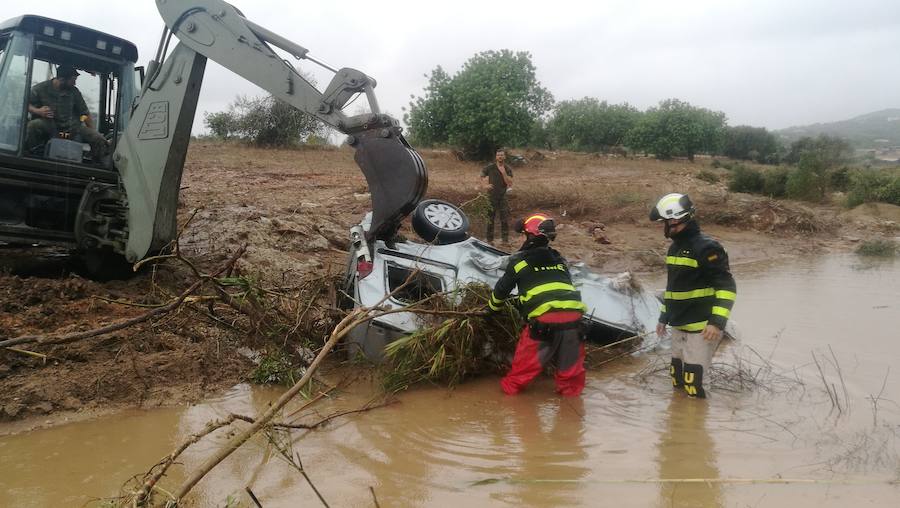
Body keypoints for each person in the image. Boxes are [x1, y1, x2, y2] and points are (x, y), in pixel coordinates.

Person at [488, 213, 588, 396]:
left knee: (517, 380)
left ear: (528, 235)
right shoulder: (560, 262)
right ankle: (571, 417)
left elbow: (500, 292)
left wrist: (491, 311)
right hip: (574, 321)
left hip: (543, 323)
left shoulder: (518, 263)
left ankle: (511, 412)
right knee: (571, 382)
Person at [650, 193, 737, 399]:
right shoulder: (675, 249)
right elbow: (672, 289)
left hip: (701, 329)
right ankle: (678, 424)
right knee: (677, 378)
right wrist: (664, 317)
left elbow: (726, 286)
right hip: (679, 325)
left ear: (676, 219)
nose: (664, 226)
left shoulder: (707, 248)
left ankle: (695, 427)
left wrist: (716, 322)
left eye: (665, 221)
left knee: (693, 384)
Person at [26, 65, 108, 161]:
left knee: (98, 139)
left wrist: (93, 131)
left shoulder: (74, 92)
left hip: (72, 127)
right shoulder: (40, 88)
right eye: (73, 80)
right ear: (62, 79)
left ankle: (95, 162)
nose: (75, 83)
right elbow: (26, 104)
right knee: (33, 126)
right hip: (49, 124)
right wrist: (38, 111)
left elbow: (84, 114)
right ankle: (30, 155)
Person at [480, 148, 513, 244]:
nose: (500, 157)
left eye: (502, 155)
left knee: (504, 219)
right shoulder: (490, 167)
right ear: (496, 157)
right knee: (490, 219)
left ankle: (505, 241)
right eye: (498, 155)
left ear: (505, 157)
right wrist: (485, 185)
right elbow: (481, 176)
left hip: (503, 196)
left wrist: (503, 173)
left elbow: (510, 183)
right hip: (491, 196)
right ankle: (489, 240)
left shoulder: (507, 168)